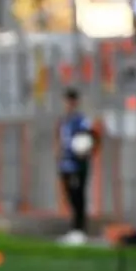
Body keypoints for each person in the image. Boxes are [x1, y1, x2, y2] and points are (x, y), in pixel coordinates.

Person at [57, 88, 97, 246]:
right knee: (69, 197)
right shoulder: (64, 120)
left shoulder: (81, 120)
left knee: (78, 196)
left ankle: (79, 230)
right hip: (65, 164)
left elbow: (90, 137)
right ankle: (74, 229)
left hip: (77, 165)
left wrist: (84, 150)